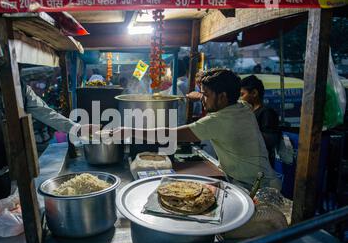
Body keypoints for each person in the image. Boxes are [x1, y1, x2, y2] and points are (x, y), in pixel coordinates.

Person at [0, 49, 89, 243]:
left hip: (3, 169)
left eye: (18, 64)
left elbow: (45, 112)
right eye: (11, 62)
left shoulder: (20, 87)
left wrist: (76, 128)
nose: (16, 68)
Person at [118, 68, 281, 190]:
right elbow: (231, 99)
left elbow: (170, 134)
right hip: (265, 179)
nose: (203, 99)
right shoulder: (242, 106)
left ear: (223, 96)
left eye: (206, 95)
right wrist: (202, 95)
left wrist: (129, 130)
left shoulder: (218, 121)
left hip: (254, 187)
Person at [240, 75, 281, 167]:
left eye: (242, 94)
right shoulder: (248, 112)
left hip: (261, 165)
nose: (240, 98)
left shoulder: (267, 112)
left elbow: (270, 140)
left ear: (254, 93)